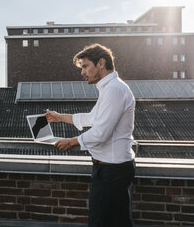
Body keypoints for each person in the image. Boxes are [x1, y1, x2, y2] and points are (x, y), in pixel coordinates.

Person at [46, 44, 136, 227]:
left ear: (101, 63)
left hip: (112, 171)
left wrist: (71, 142)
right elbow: (92, 118)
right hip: (111, 170)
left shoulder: (114, 90)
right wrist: (60, 117)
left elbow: (101, 132)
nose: (82, 72)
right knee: (116, 221)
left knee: (101, 222)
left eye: (85, 66)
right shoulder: (110, 88)